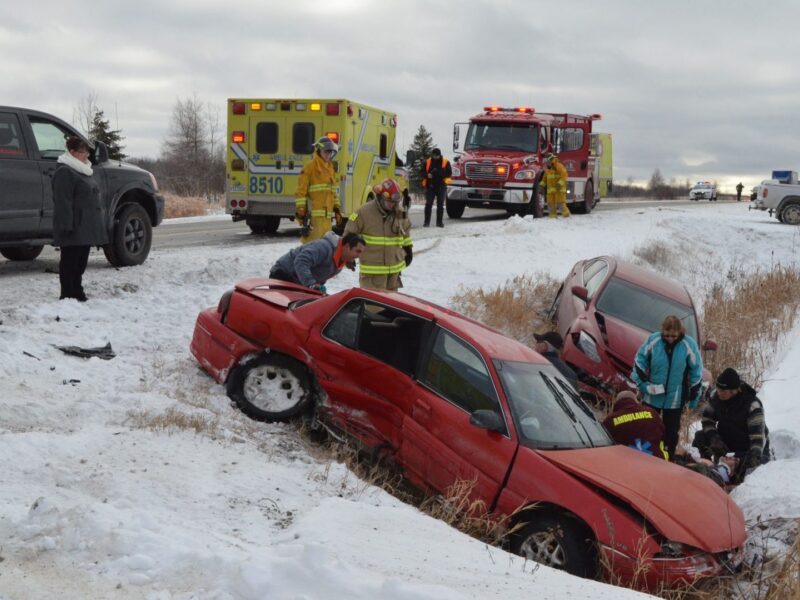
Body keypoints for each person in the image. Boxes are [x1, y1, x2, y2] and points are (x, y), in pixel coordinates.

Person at [630, 315, 704, 460]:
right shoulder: (654, 340)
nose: (670, 338)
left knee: (671, 432)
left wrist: (695, 393)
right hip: (652, 394)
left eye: (674, 336)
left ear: (680, 332)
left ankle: (667, 459)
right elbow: (639, 360)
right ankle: (643, 456)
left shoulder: (688, 344)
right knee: (646, 427)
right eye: (667, 335)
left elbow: (697, 370)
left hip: (675, 398)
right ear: (662, 331)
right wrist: (642, 383)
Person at [52, 136, 108, 302]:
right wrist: (66, 225)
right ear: (72, 152)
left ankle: (77, 289)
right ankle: (67, 292)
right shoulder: (65, 171)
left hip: (85, 226)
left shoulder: (84, 170)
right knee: (70, 261)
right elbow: (63, 200)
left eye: (87, 152)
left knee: (81, 261)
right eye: (83, 152)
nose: (86, 156)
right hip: (73, 225)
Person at [692, 367, 770, 482]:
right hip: (726, 444)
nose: (719, 393)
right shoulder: (717, 398)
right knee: (700, 437)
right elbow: (707, 419)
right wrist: (714, 438)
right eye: (718, 389)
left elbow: (757, 439)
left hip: (746, 448)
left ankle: (733, 480)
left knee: (748, 464)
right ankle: (703, 469)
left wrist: (752, 460)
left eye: (723, 391)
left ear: (733, 391)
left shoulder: (752, 405)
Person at [344, 178, 412, 291]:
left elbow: (406, 229)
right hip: (372, 275)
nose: (392, 205)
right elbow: (349, 233)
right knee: (373, 308)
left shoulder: (399, 212)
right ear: (381, 197)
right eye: (389, 202)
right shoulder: (363, 212)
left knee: (392, 307)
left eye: (395, 202)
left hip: (393, 274)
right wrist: (348, 256)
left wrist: (408, 248)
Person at [269, 231, 366, 292]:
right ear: (347, 246)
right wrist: (311, 284)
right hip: (283, 274)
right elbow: (301, 261)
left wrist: (317, 288)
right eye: (357, 251)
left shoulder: (340, 262)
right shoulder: (324, 247)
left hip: (299, 281)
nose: (359, 256)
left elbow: (319, 276)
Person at [295, 136, 340, 244]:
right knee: (311, 246)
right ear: (319, 151)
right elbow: (301, 192)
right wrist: (301, 211)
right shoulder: (310, 167)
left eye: (330, 152)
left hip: (327, 218)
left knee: (325, 246)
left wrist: (337, 209)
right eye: (326, 152)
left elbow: (333, 192)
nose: (328, 155)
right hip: (313, 218)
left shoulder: (330, 168)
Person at [602, 390, 669, 459]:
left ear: (617, 403)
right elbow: (664, 435)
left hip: (625, 463)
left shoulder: (610, 421)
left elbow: (604, 445)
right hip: (656, 461)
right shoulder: (652, 413)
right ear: (635, 400)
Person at [422, 148, 452, 228]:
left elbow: (449, 173)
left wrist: (438, 173)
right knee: (428, 204)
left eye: (436, 156)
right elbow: (422, 172)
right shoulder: (427, 162)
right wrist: (427, 175)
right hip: (430, 186)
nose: (434, 157)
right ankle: (426, 223)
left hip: (441, 186)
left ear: (439, 155)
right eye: (433, 155)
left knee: (440, 205)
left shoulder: (446, 162)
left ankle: (439, 223)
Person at [543, 153, 570, 218]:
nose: (546, 163)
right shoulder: (547, 169)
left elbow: (564, 175)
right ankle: (553, 217)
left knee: (560, 203)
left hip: (559, 189)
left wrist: (559, 184)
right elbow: (544, 178)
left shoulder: (559, 166)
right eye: (546, 162)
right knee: (550, 204)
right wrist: (541, 186)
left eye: (547, 162)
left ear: (551, 160)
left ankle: (566, 216)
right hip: (551, 191)